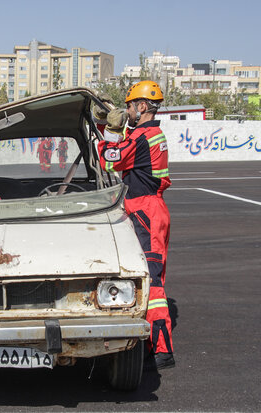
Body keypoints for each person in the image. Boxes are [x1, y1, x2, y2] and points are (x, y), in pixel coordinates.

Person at [97, 80, 175, 370]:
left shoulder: (142, 136)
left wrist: (109, 131)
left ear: (142, 106)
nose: (127, 110)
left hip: (146, 212)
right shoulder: (151, 134)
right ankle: (151, 341)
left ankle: (161, 350)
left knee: (152, 282)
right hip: (151, 210)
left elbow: (109, 160)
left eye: (129, 106)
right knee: (150, 278)